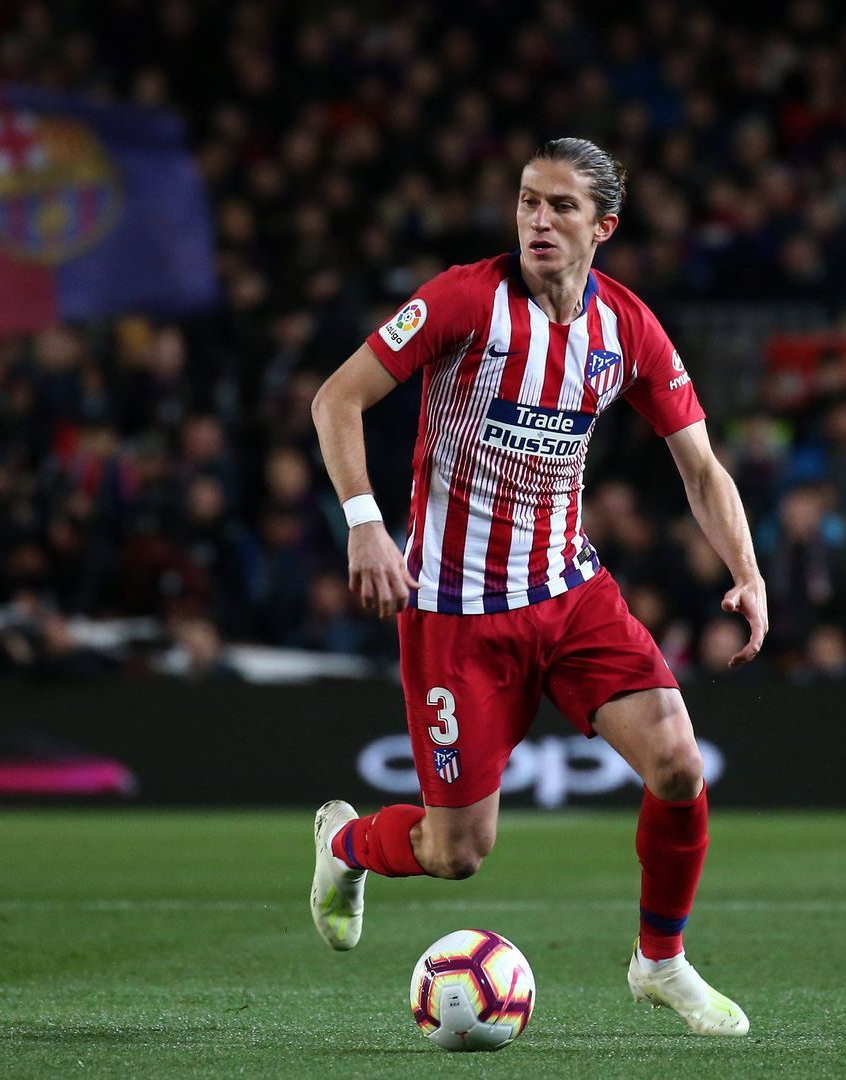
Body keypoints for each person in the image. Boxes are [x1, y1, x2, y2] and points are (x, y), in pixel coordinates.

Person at [307, 138, 765, 1037]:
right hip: (454, 614)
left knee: (678, 763)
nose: (538, 221)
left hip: (569, 593)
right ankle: (344, 844)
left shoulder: (626, 326)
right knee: (456, 853)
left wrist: (747, 574)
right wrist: (364, 520)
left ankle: (660, 962)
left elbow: (702, 468)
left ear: (605, 225)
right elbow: (336, 400)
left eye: (560, 207)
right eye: (527, 202)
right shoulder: (464, 300)